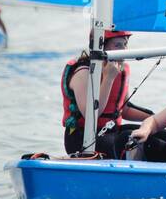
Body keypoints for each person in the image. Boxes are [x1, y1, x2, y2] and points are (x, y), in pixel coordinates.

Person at [61, 28, 152, 157]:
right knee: (130, 140)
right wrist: (108, 78)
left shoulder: (121, 69)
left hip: (111, 131)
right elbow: (91, 114)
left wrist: (155, 120)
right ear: (101, 46)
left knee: (155, 136)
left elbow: (124, 110)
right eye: (118, 45)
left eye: (125, 44)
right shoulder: (82, 73)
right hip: (82, 138)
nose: (124, 50)